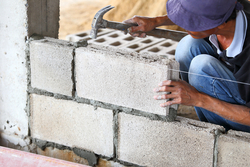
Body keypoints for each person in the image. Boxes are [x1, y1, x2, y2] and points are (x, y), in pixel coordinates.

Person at [123, 0, 250, 133]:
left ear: (219, 23)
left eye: (192, 22)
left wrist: (198, 99)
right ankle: (207, 118)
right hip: (240, 83)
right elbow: (197, 11)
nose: (184, 25)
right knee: (188, 46)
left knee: (201, 67)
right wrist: (156, 21)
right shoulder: (230, 7)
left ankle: (222, 135)